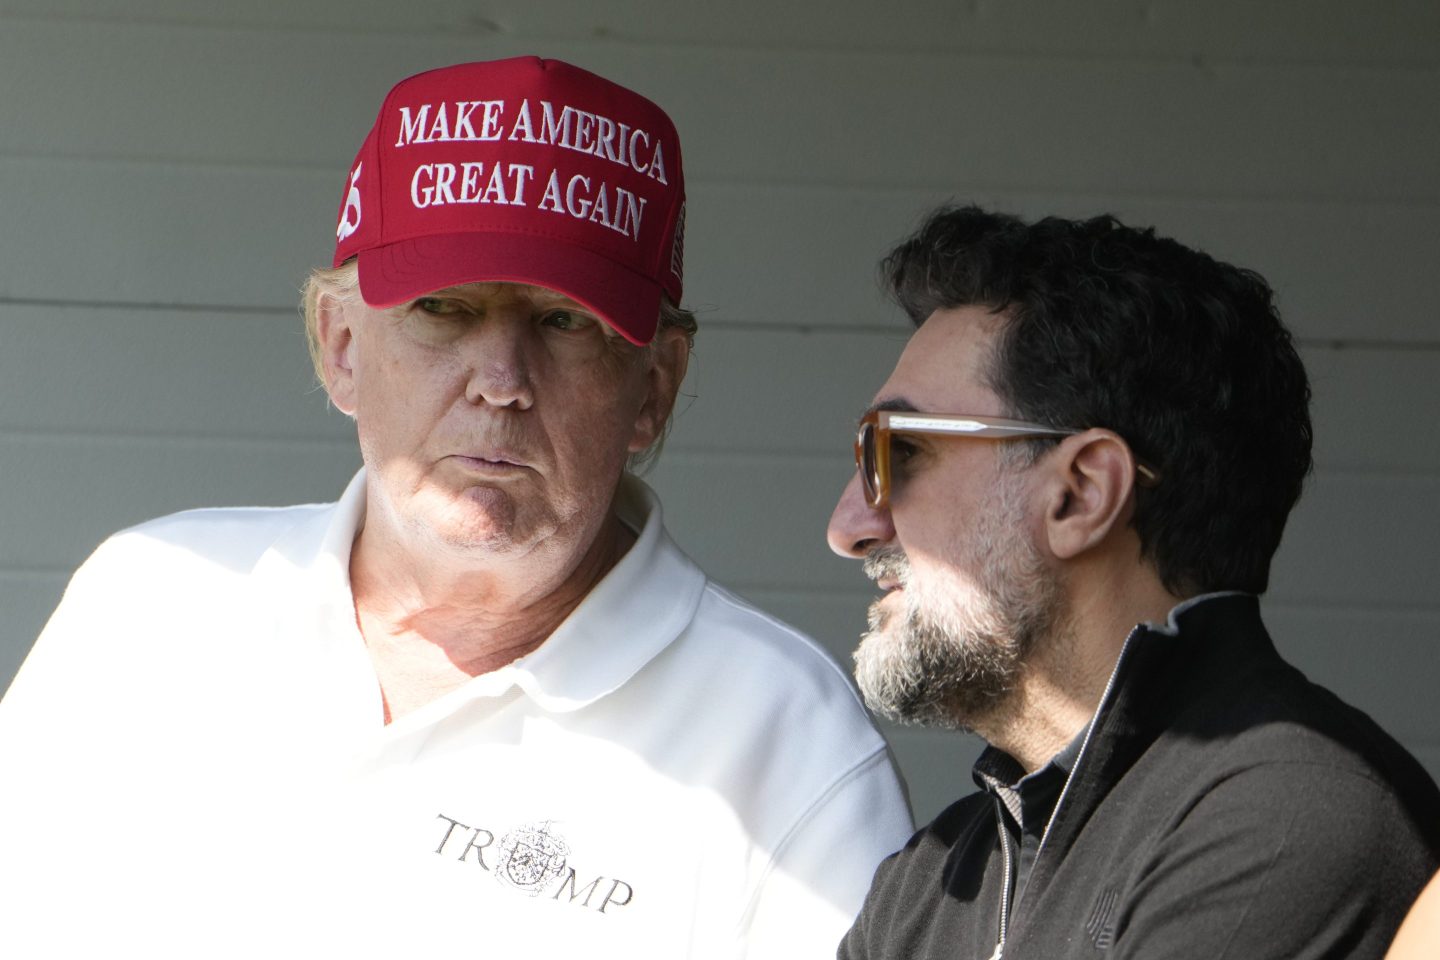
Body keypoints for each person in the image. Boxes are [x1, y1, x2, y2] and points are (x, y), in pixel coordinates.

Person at [0, 57, 912, 959]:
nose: (502, 381)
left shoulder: (784, 742)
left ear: (655, 387)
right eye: (444, 308)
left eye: (563, 321)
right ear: (341, 345)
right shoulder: (148, 602)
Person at [826, 204, 1440, 959]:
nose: (848, 526)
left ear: (1082, 493)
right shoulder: (933, 881)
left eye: (898, 452)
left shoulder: (1287, 816)